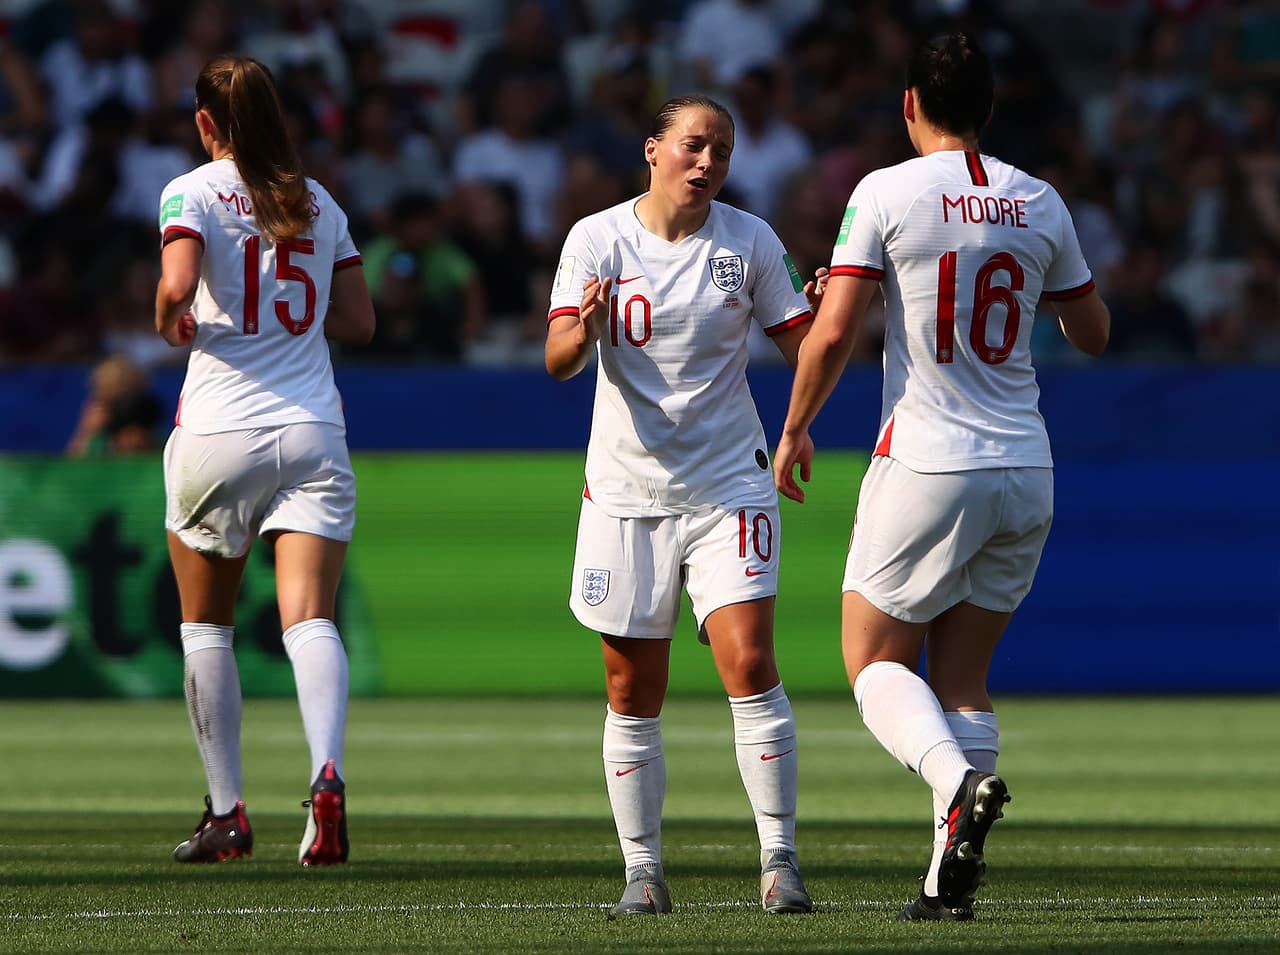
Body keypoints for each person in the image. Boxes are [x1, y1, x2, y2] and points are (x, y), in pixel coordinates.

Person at [772, 33, 1109, 921]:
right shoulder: (1040, 200)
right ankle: (943, 883)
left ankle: (959, 785)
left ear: (910, 104)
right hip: (1025, 465)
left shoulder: (885, 189)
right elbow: (1096, 333)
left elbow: (834, 331)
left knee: (874, 658)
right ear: (990, 110)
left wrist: (797, 424)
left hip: (928, 458)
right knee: (962, 680)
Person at [545, 94, 820, 918]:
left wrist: (803, 411)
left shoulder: (749, 242)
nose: (708, 163)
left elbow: (804, 347)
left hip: (730, 481)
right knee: (633, 688)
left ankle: (779, 858)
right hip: (626, 492)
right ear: (654, 149)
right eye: (694, 146)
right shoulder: (597, 238)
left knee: (750, 662)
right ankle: (644, 871)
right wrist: (586, 327)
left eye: (722, 152)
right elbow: (558, 358)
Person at [154, 54, 375, 866]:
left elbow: (178, 286)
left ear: (208, 123)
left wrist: (167, 310)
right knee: (310, 617)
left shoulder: (191, 190)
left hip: (219, 429)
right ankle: (326, 776)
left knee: (205, 625)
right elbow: (360, 321)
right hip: (313, 428)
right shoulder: (317, 201)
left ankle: (227, 813)